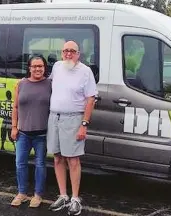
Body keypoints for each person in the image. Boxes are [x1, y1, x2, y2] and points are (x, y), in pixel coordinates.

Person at [47, 41, 97, 215]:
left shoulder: (85, 71)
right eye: (65, 51)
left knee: (73, 160)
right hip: (54, 117)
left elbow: (91, 99)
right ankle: (63, 196)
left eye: (72, 51)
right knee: (57, 158)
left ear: (78, 54)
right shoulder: (57, 67)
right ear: (62, 53)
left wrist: (84, 124)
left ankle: (75, 198)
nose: (68, 54)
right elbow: (49, 86)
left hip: (74, 119)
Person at [10, 55, 52, 208]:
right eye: (34, 66)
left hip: (41, 134)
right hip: (23, 134)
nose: (37, 69)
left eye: (40, 66)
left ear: (44, 67)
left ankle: (38, 195)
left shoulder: (50, 84)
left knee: (40, 164)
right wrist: (14, 127)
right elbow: (15, 107)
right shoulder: (21, 84)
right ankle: (21, 193)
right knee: (20, 163)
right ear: (29, 68)